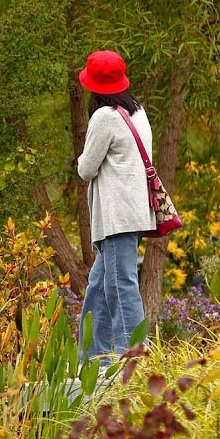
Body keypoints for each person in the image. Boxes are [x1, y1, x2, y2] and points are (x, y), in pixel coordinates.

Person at [75, 49, 154, 367]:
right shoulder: (138, 112)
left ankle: (131, 360)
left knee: (121, 286)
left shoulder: (104, 118)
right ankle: (93, 359)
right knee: (98, 286)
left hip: (116, 217)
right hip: (132, 213)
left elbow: (86, 168)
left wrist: (79, 160)